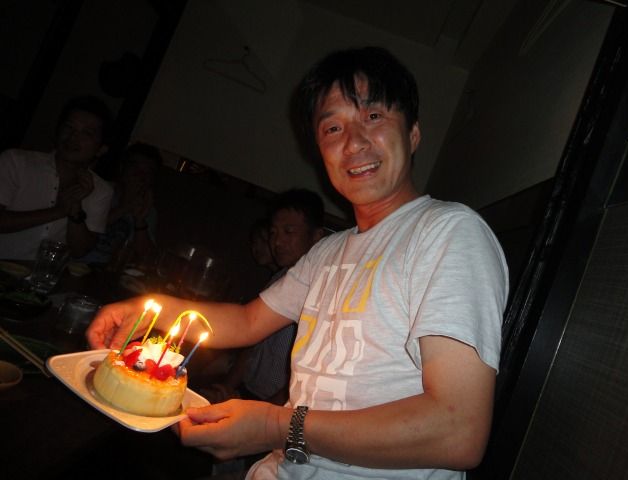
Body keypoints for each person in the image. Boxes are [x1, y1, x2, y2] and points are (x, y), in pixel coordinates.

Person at [87, 46, 508, 479]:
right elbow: (247, 321)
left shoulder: (448, 232)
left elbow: (458, 431)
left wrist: (275, 426)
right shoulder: (328, 251)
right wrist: (145, 311)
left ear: (413, 133)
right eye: (333, 128)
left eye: (373, 116)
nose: (354, 142)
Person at [203, 188, 325, 406]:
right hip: (246, 392)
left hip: (274, 408)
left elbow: (307, 376)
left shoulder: (321, 293)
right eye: (273, 233)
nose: (277, 242)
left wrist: (259, 413)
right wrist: (227, 387)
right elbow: (252, 341)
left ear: (316, 237)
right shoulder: (280, 276)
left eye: (288, 232)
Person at [0, 95, 114, 260]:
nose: (73, 137)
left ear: (101, 149)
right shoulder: (16, 161)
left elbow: (79, 251)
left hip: (46, 274)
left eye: (87, 133)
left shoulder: (101, 190)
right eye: (69, 127)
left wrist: (75, 208)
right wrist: (59, 211)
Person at [80, 142, 161, 267]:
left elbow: (146, 256)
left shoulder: (149, 209)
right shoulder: (99, 189)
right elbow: (81, 231)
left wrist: (140, 220)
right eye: (135, 168)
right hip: (78, 262)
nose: (141, 176)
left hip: (110, 271)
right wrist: (125, 207)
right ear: (122, 168)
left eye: (148, 172)